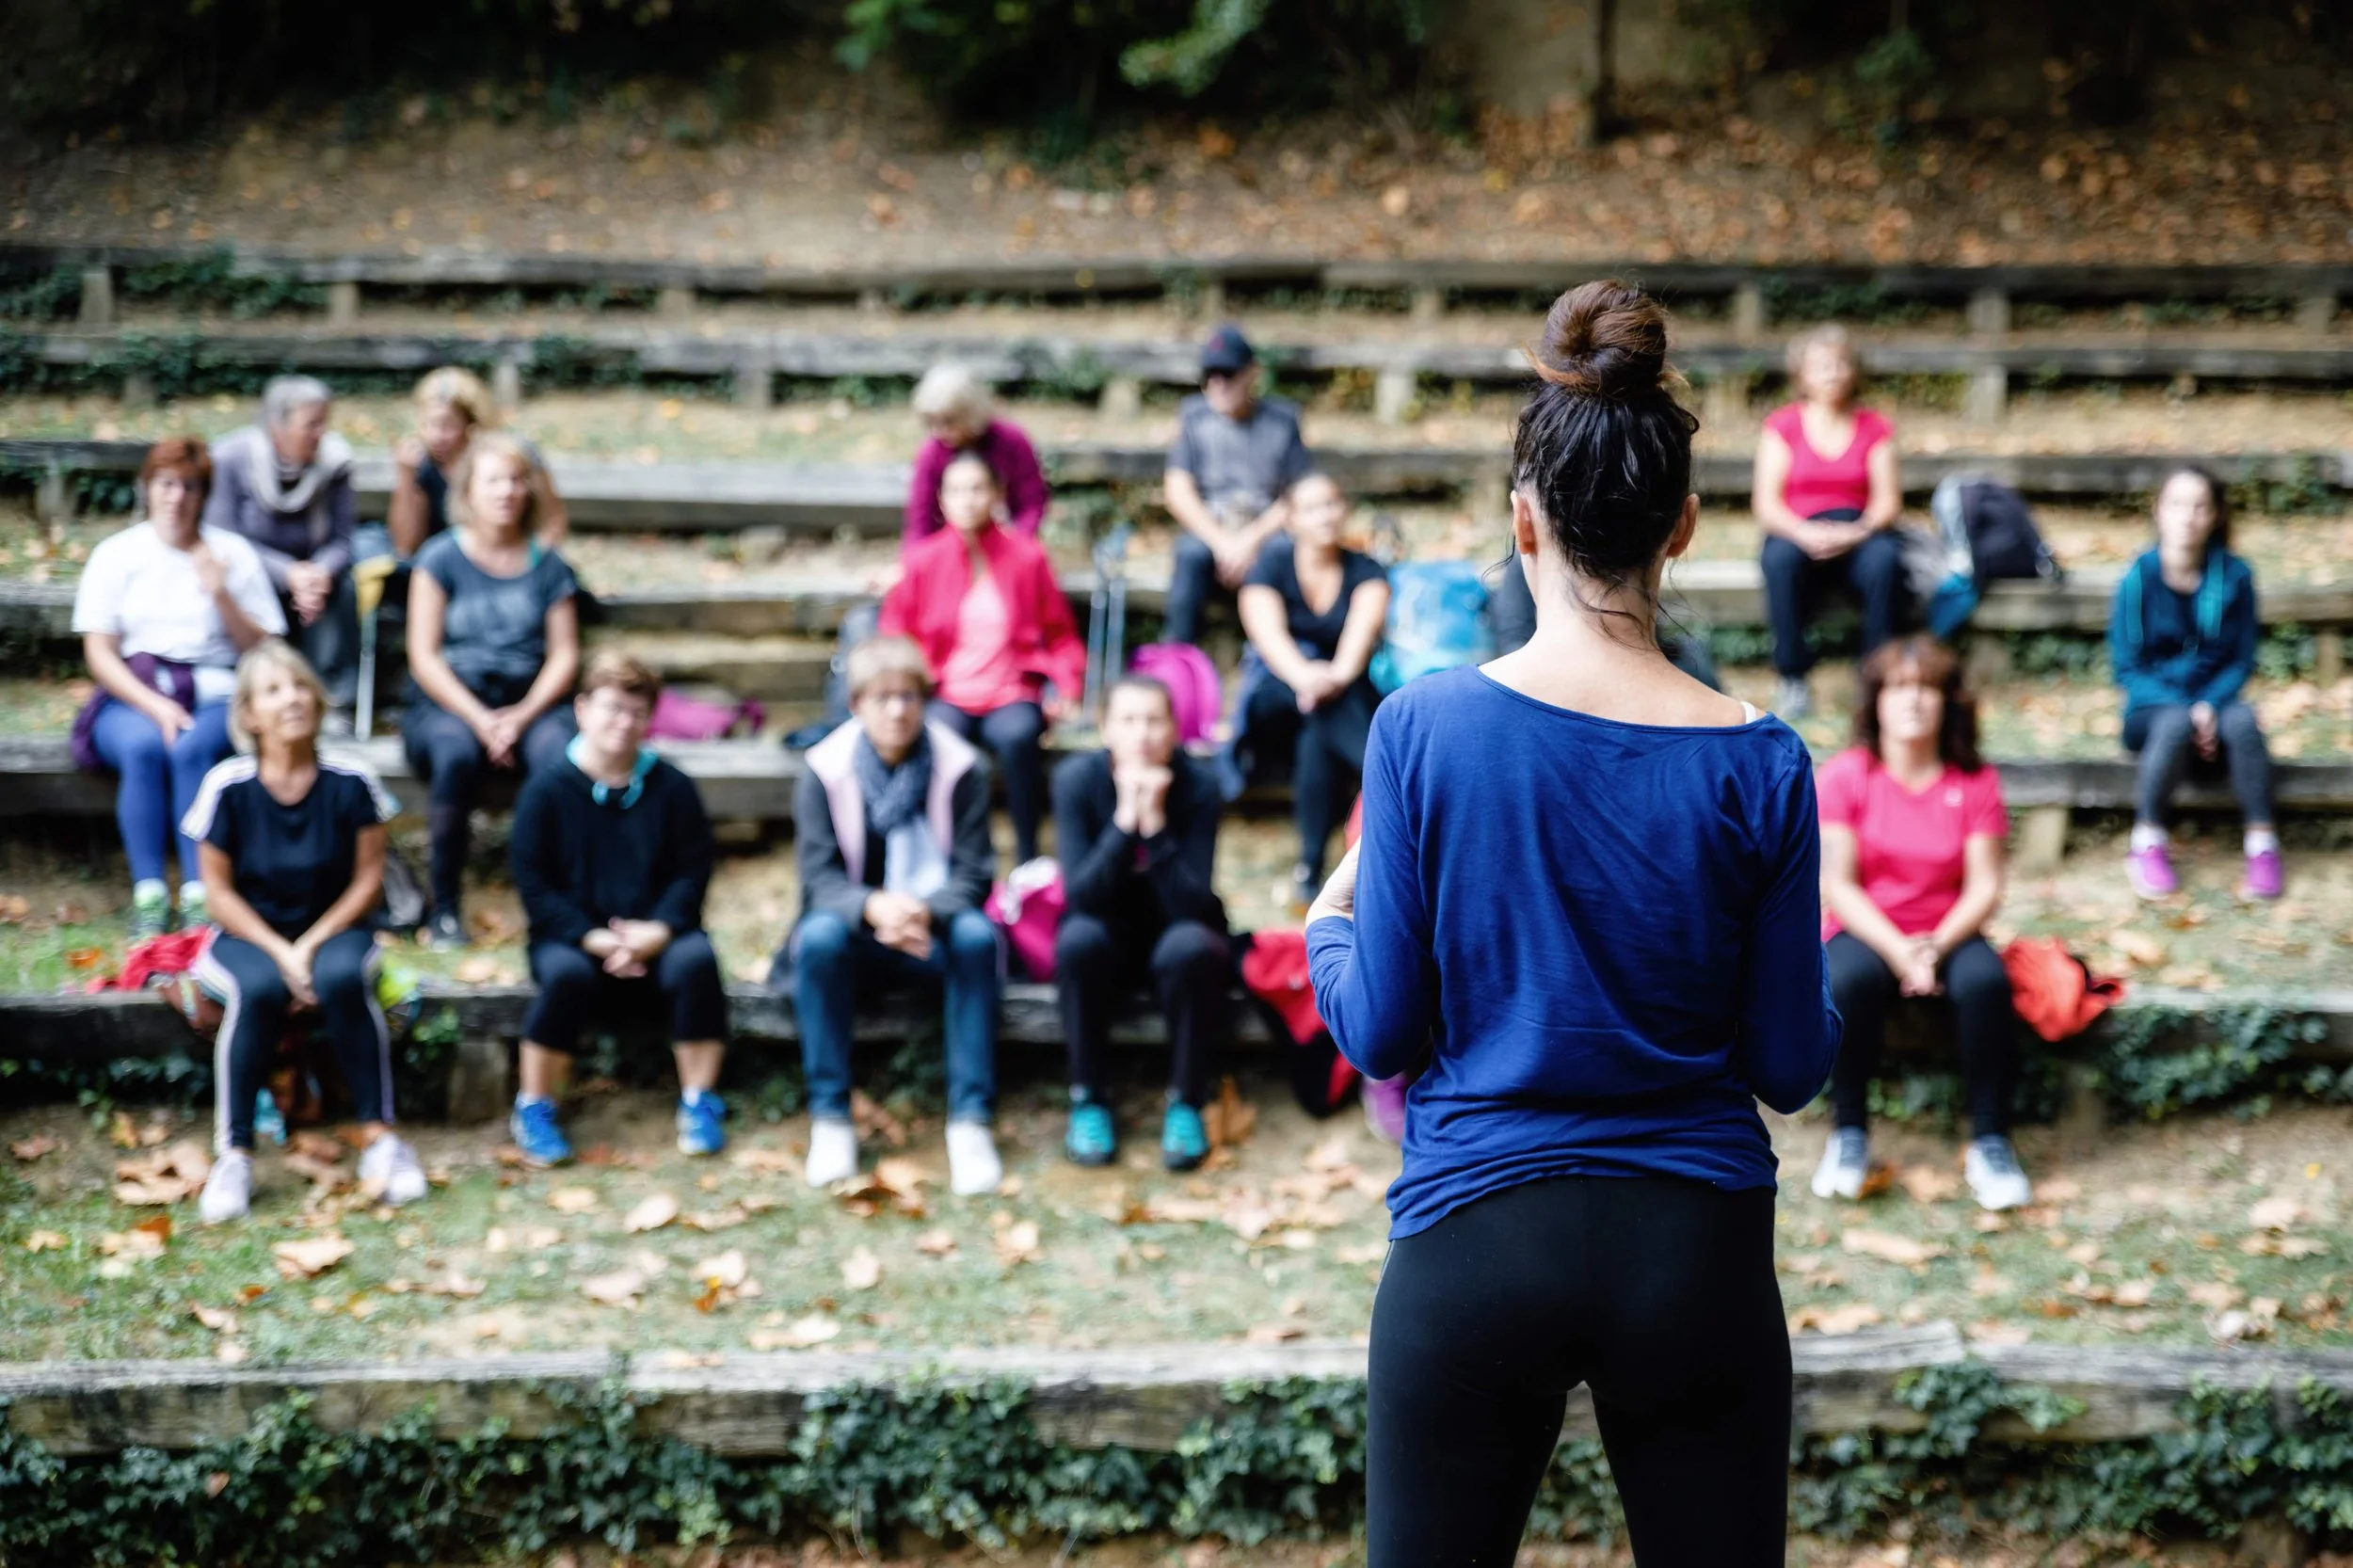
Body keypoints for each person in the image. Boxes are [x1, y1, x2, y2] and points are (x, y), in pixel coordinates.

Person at [1306, 281, 1840, 1568]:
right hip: (1695, 1250)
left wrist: (1330, 912)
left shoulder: (1421, 729)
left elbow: (1379, 1032)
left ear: (1522, 521)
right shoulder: (1761, 760)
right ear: (1687, 527)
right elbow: (1791, 1064)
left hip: (1473, 1240)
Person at [184, 641, 424, 1224]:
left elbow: (368, 883)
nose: (291, 699)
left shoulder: (353, 781)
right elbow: (218, 893)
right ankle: (234, 1154)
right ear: (248, 716)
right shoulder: (227, 785)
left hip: (334, 926)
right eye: (273, 690)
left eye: (299, 686)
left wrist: (310, 946)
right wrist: (279, 951)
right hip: (249, 933)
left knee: (343, 978)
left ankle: (381, 1139)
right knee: (258, 989)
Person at [778, 636, 1004, 1197]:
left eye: (908, 696)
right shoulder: (824, 771)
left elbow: (976, 874)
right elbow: (819, 878)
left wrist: (924, 911)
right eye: (882, 697)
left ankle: (969, 1121)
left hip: (933, 934)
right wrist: (872, 907)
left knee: (979, 936)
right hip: (859, 936)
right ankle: (831, 1118)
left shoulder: (958, 768)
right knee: (820, 935)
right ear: (856, 704)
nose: (897, 710)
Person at [1811, 636, 2027, 1211]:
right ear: (1875, 702)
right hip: (1867, 929)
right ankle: (1849, 1135)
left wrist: (1934, 946)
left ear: (1948, 703)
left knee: (1985, 983)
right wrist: (1902, 951)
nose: (1913, 701)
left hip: (1950, 929)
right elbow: (1838, 885)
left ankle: (1992, 1142)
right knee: (1845, 981)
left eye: (1927, 688)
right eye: (1899, 688)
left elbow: (1985, 886)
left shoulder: (1974, 781)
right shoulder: (1845, 776)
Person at [507, 651, 728, 1168]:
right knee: (564, 976)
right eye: (612, 709)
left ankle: (700, 1101)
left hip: (657, 932)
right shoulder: (547, 790)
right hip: (572, 937)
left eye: (636, 712)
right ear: (583, 709)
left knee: (695, 961)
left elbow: (692, 871)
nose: (624, 723)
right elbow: (534, 883)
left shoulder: (672, 788)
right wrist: (590, 936)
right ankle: (535, 1105)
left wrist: (658, 930)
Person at [72, 438, 284, 938]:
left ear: (204, 495)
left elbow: (266, 648)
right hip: (134, 691)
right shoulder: (117, 554)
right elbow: (99, 650)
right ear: (147, 489)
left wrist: (220, 592)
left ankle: (198, 894)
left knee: (193, 748)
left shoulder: (230, 553)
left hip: (214, 690)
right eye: (166, 484)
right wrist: (154, 706)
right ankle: (149, 895)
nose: (177, 497)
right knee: (146, 746)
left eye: (189, 486)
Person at [403, 433, 581, 948]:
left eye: (515, 479)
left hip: (533, 703)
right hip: (449, 702)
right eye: (493, 480)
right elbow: (424, 654)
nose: (506, 491)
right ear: (468, 491)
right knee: (456, 755)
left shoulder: (549, 566)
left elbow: (563, 654)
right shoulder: (438, 558)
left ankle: (553, 906)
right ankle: (445, 910)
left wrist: (521, 717)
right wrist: (481, 719)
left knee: (559, 758)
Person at [1052, 676, 1232, 1172]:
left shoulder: (1199, 787)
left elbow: (1193, 904)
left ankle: (1187, 1102)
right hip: (1105, 932)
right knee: (1077, 940)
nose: (1143, 733)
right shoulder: (1076, 782)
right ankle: (1088, 1096)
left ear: (1174, 729)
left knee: (1193, 945)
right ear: (1106, 728)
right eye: (1128, 720)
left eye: (1155, 720)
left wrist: (1154, 826)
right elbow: (1081, 896)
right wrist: (1124, 821)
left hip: (1173, 933)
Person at [879, 451, 1086, 864]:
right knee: (938, 739)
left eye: (977, 489)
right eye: (956, 491)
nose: (967, 500)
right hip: (945, 692)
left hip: (1011, 691)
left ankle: (1028, 857)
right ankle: (951, 859)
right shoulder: (923, 561)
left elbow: (1062, 635)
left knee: (1018, 738)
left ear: (997, 494)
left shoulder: (1028, 557)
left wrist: (1067, 684)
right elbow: (894, 635)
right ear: (941, 499)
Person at [2112, 465, 2279, 902]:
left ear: (2215, 515)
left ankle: (2262, 846)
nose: (2189, 516)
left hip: (2217, 704)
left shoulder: (2236, 577)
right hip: (2151, 710)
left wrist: (2208, 705)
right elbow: (2128, 669)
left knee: (2244, 723)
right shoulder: (2137, 578)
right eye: (2178, 505)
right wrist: (2185, 711)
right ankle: (2147, 841)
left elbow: (2242, 660)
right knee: (2171, 723)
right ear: (2159, 511)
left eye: (2200, 506)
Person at [1232, 472, 1390, 909]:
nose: (1325, 515)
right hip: (1279, 694)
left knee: (1317, 732)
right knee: (1317, 712)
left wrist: (1330, 680)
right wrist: (1305, 678)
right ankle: (1385, 772)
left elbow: (1354, 650)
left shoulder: (1367, 570)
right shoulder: (1270, 566)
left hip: (1337, 695)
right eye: (1312, 507)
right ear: (1291, 519)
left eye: (1332, 504)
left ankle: (1308, 869)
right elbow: (1269, 638)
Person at [1752, 325, 1903, 717]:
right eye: (1821, 365)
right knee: (1777, 560)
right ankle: (1793, 677)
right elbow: (1766, 504)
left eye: (1840, 364)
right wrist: (1803, 532)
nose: (1832, 373)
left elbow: (1888, 504)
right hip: (1797, 529)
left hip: (1857, 531)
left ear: (1853, 371)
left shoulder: (1875, 426)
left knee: (1885, 560)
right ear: (1801, 374)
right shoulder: (1782, 425)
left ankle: (1875, 675)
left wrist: (1856, 533)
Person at [203, 376, 363, 717]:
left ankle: (333, 702)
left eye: (325, 422)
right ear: (278, 425)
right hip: (253, 574)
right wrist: (287, 573)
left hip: (314, 580)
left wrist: (319, 573)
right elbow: (223, 540)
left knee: (344, 587)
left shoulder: (335, 462)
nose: (322, 433)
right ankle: (258, 697)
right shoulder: (230, 459)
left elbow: (342, 539)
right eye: (311, 425)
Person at [1161, 325, 1314, 646]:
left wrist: (1249, 541)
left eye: (1228, 374)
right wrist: (1222, 543)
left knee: (1285, 553)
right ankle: (1179, 658)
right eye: (1210, 375)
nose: (1218, 384)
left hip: (1267, 531)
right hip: (1212, 530)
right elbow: (1178, 490)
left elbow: (1298, 492)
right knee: (1189, 555)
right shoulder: (1193, 417)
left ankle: (1287, 655)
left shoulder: (1283, 420)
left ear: (1251, 373)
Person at [386, 366, 570, 559]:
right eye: (427, 424)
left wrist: (532, 564)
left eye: (447, 425)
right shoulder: (421, 465)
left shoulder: (510, 457)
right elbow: (404, 547)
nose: (436, 436)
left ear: (471, 424)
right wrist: (406, 478)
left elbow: (552, 522)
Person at [904, 364, 1049, 548]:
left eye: (949, 421)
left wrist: (1017, 549)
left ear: (970, 414)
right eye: (933, 422)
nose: (940, 431)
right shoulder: (931, 452)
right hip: (953, 548)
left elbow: (1032, 502)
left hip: (1009, 539)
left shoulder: (1011, 441)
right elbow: (920, 520)